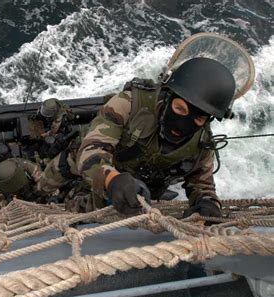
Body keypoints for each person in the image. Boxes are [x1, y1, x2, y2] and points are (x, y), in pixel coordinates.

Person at [76, 56, 242, 218]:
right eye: (179, 109)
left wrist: (208, 203)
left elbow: (202, 184)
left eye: (198, 119)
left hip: (142, 194)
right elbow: (92, 151)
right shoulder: (128, 105)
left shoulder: (202, 142)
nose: (182, 125)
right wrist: (112, 180)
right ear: (168, 96)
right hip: (93, 176)